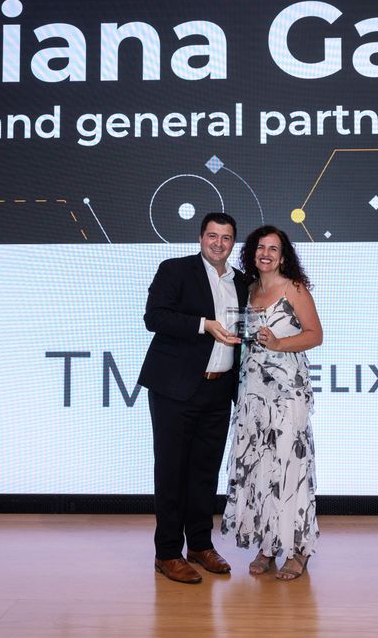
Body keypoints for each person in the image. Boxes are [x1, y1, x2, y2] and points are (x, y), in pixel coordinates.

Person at [138, 212, 250, 584]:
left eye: (226, 237)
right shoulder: (175, 270)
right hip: (175, 389)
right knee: (171, 471)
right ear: (201, 237)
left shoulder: (242, 282)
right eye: (212, 236)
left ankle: (200, 545)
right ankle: (168, 552)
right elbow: (154, 317)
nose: (219, 243)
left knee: (205, 471)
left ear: (233, 243)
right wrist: (204, 325)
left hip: (219, 389)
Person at [221, 225, 323, 581]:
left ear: (283, 256)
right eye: (260, 247)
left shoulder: (294, 288)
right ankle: (268, 545)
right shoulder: (249, 289)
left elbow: (315, 335)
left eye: (273, 248)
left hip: (287, 392)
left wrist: (278, 344)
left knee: (289, 467)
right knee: (260, 467)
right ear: (251, 253)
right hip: (252, 392)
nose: (266, 253)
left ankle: (297, 549)